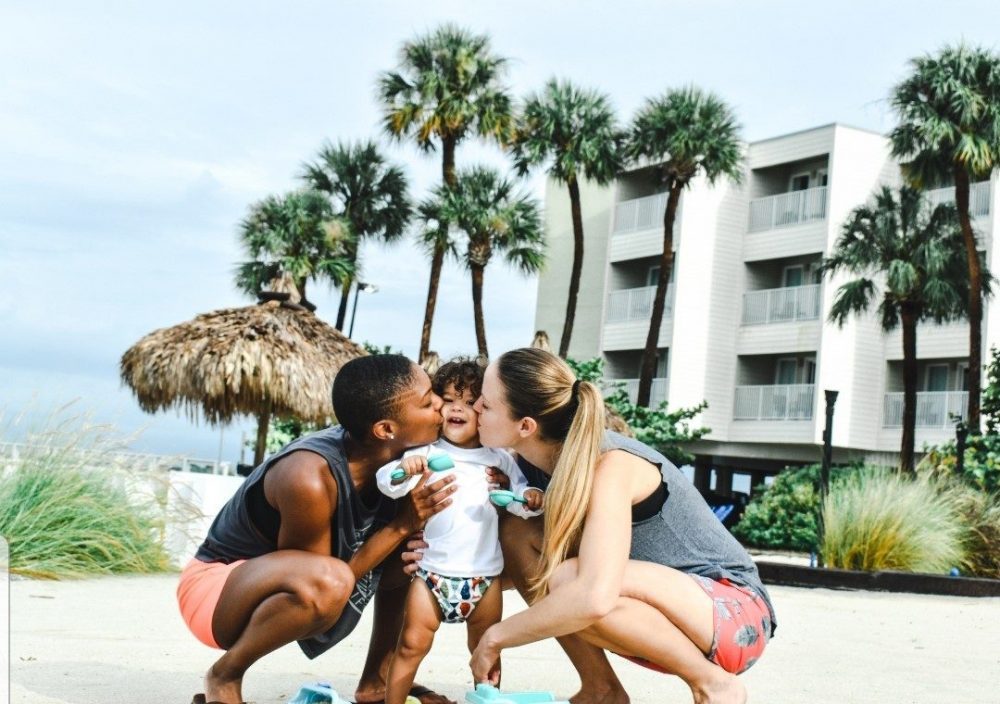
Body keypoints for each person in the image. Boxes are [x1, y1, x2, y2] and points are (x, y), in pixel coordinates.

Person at [467, 348, 776, 704]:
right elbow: (525, 569)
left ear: (525, 427)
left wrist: (495, 637)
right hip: (662, 612)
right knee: (518, 534)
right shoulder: (532, 468)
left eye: (485, 405)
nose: (475, 408)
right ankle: (602, 690)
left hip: (734, 618)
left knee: (573, 581)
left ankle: (713, 684)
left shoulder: (611, 466)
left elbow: (594, 598)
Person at [175, 354, 459, 704]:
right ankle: (225, 675)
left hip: (296, 578)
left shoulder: (399, 461)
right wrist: (401, 525)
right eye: (428, 402)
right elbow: (324, 585)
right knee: (334, 580)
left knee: (409, 555)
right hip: (216, 594)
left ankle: (376, 683)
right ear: (386, 429)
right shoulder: (308, 476)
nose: (440, 407)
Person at [376, 358, 542, 704]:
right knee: (411, 644)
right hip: (432, 573)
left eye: (469, 402)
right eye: (449, 399)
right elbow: (386, 483)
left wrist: (528, 497)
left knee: (485, 647)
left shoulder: (499, 460)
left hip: (484, 579)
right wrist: (404, 470)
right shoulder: (425, 453)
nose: (457, 408)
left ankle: (488, 698)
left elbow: (520, 503)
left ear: (485, 409)